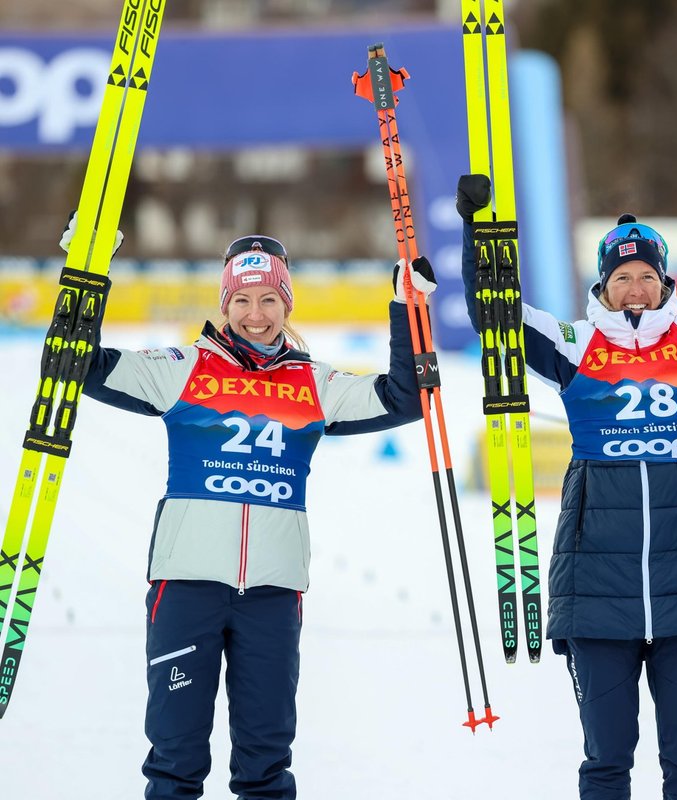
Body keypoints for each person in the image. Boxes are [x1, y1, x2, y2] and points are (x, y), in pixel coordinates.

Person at [456, 140, 677, 800]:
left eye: (646, 276)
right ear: (603, 287)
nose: (635, 287)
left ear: (665, 283)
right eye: (622, 278)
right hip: (597, 586)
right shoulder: (576, 347)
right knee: (606, 761)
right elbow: (492, 317)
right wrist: (478, 232)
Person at [76, 229, 427, 800]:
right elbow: (79, 364)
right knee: (175, 756)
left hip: (271, 592)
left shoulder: (314, 382)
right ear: (224, 304)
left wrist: (406, 308)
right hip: (187, 586)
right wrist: (86, 268)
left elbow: (403, 398)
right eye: (242, 299)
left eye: (268, 299)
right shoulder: (179, 368)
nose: (255, 314)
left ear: (287, 304)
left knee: (265, 761)